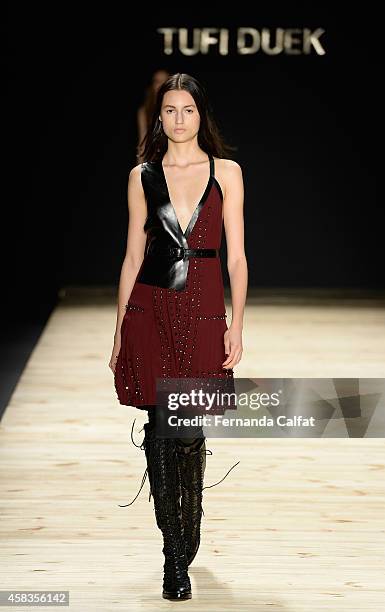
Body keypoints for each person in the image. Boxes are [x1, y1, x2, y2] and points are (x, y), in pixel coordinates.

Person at [109, 72, 247, 600]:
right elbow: (131, 257)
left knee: (187, 429)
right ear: (159, 116)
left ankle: (189, 529)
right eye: (170, 110)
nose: (179, 119)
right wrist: (119, 329)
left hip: (206, 309)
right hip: (151, 308)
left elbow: (236, 257)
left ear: (200, 115)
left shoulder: (226, 173)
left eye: (188, 110)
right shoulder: (141, 175)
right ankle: (174, 554)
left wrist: (238, 322)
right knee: (161, 428)